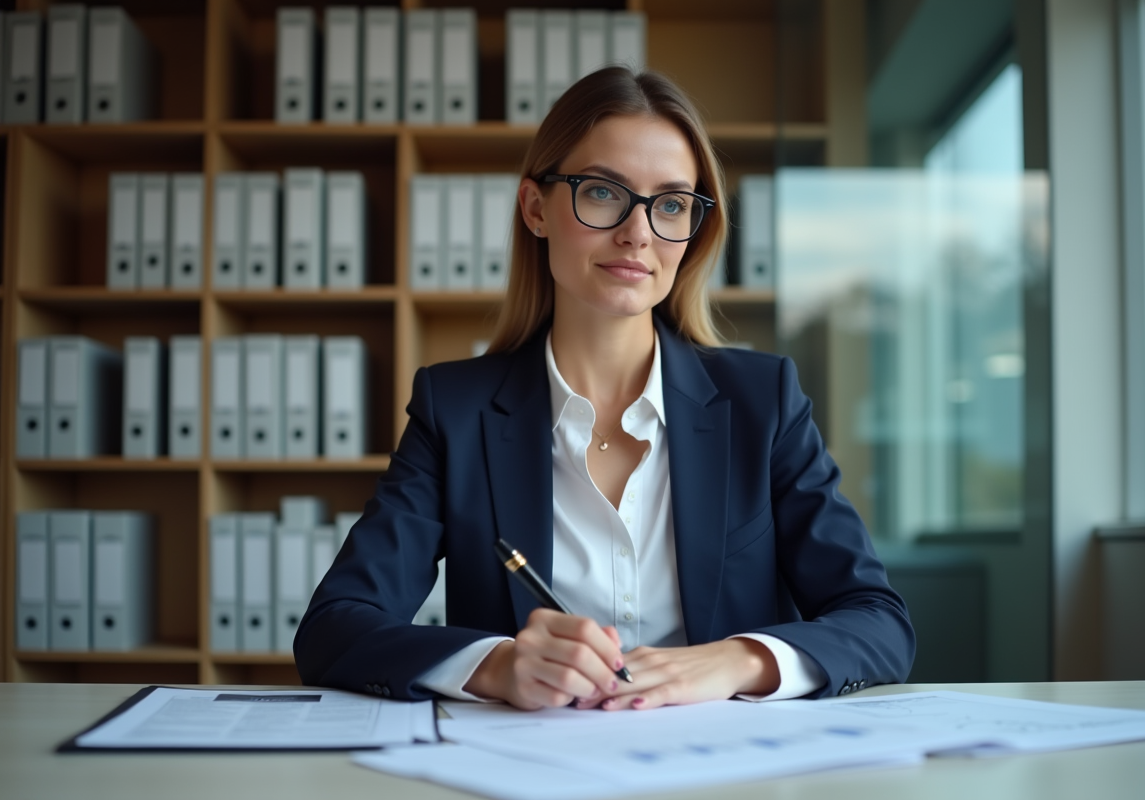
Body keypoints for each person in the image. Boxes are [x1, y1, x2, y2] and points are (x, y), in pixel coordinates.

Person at [294, 66, 914, 711]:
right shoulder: (456, 410)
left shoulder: (764, 401)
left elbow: (878, 621)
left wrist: (737, 660)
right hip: (530, 769)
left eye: (672, 203)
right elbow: (335, 627)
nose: (638, 232)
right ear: (537, 208)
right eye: (602, 193)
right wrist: (497, 664)